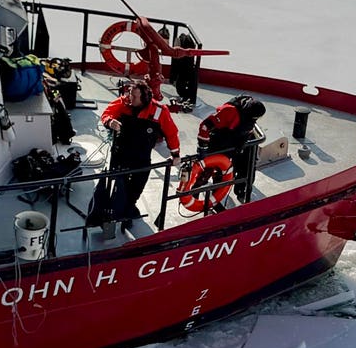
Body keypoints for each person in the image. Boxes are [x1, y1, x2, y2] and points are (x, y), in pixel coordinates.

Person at [98, 80, 181, 221]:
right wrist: (110, 121)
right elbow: (107, 113)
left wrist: (175, 155)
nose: (130, 98)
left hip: (142, 157)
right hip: (121, 154)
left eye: (134, 96)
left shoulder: (159, 111)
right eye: (130, 94)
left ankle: (129, 208)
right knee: (120, 185)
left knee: (138, 185)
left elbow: (171, 133)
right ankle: (117, 211)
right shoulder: (123, 103)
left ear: (144, 98)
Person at [196, 95, 266, 203]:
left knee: (247, 165)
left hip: (237, 142)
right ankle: (197, 192)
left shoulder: (251, 118)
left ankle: (240, 191)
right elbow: (205, 126)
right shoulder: (229, 111)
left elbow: (248, 129)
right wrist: (202, 148)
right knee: (208, 171)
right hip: (219, 141)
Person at [168, 33, 198, 109]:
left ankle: (189, 97)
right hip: (188, 66)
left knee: (182, 86)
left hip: (185, 67)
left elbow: (175, 67)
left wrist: (173, 78)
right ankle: (189, 97)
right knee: (185, 83)